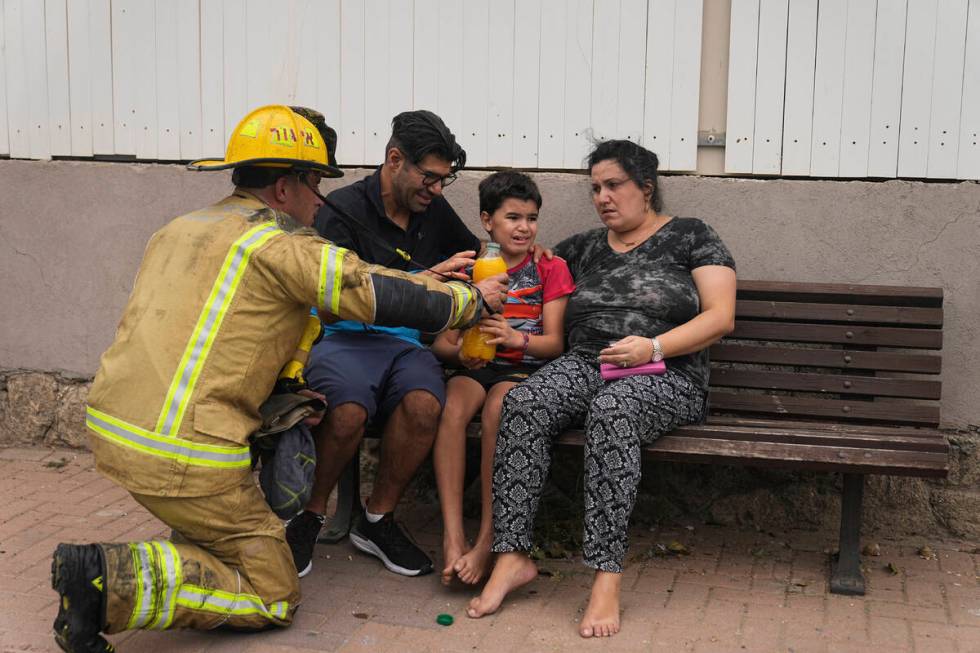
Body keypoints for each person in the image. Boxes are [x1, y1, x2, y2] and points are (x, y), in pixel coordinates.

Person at [49, 105, 505, 653]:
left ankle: (165, 554)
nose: (322, 199)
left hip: (113, 428)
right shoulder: (281, 245)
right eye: (315, 183)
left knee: (218, 536)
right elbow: (373, 291)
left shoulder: (182, 227)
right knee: (273, 591)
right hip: (184, 453)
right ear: (288, 186)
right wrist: (468, 300)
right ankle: (104, 581)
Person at [467, 140, 737, 638]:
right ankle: (512, 556)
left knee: (612, 411)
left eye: (613, 185)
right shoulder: (583, 247)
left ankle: (606, 577)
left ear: (646, 188)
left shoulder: (692, 237)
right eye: (595, 188)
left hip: (666, 373)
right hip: (587, 362)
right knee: (524, 402)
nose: (602, 197)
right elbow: (529, 263)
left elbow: (721, 317)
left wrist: (652, 348)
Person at [285, 110, 489, 579]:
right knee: (348, 411)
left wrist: (518, 250)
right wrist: (425, 279)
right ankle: (310, 515)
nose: (436, 190)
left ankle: (377, 520)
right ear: (395, 159)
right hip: (341, 339)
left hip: (405, 345)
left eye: (444, 181)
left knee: (423, 406)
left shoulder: (431, 207)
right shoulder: (341, 208)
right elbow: (331, 306)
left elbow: (476, 250)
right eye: (430, 178)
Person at [430, 171, 575, 586]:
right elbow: (442, 343)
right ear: (487, 220)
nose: (524, 227)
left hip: (523, 369)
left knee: (500, 409)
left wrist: (517, 338)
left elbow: (555, 344)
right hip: (476, 365)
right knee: (453, 408)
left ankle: (488, 538)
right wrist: (461, 353)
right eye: (513, 217)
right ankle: (452, 536)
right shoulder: (472, 268)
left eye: (531, 218)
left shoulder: (550, 268)